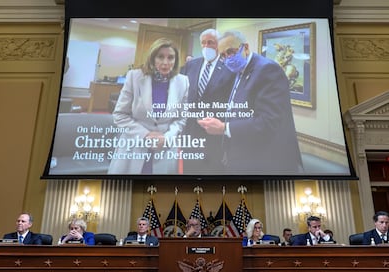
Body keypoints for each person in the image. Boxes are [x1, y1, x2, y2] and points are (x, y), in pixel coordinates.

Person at [196, 29, 302, 175]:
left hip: (265, 162)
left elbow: (267, 121)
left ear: (245, 47)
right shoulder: (239, 71)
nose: (228, 58)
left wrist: (224, 128)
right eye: (223, 55)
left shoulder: (267, 69)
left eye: (231, 52)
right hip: (241, 155)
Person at [108, 38, 189, 175]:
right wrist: (145, 135)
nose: (165, 62)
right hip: (134, 146)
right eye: (160, 57)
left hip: (164, 149)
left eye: (171, 57)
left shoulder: (183, 81)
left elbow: (182, 118)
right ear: (152, 58)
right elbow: (120, 115)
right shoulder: (134, 77)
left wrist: (167, 137)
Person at [180, 28, 235, 174]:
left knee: (210, 171)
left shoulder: (229, 67)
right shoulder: (191, 65)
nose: (206, 46)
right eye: (203, 43)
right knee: (188, 169)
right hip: (189, 130)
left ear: (219, 44)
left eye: (210, 42)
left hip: (213, 132)